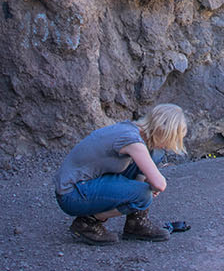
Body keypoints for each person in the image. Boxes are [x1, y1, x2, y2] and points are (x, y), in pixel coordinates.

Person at [54, 103, 188, 245]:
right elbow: (159, 184)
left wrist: (147, 182)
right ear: (164, 132)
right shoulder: (131, 140)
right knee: (143, 194)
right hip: (71, 193)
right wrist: (149, 185)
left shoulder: (133, 131)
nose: (169, 145)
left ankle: (136, 223)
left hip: (85, 185)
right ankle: (88, 222)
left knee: (155, 154)